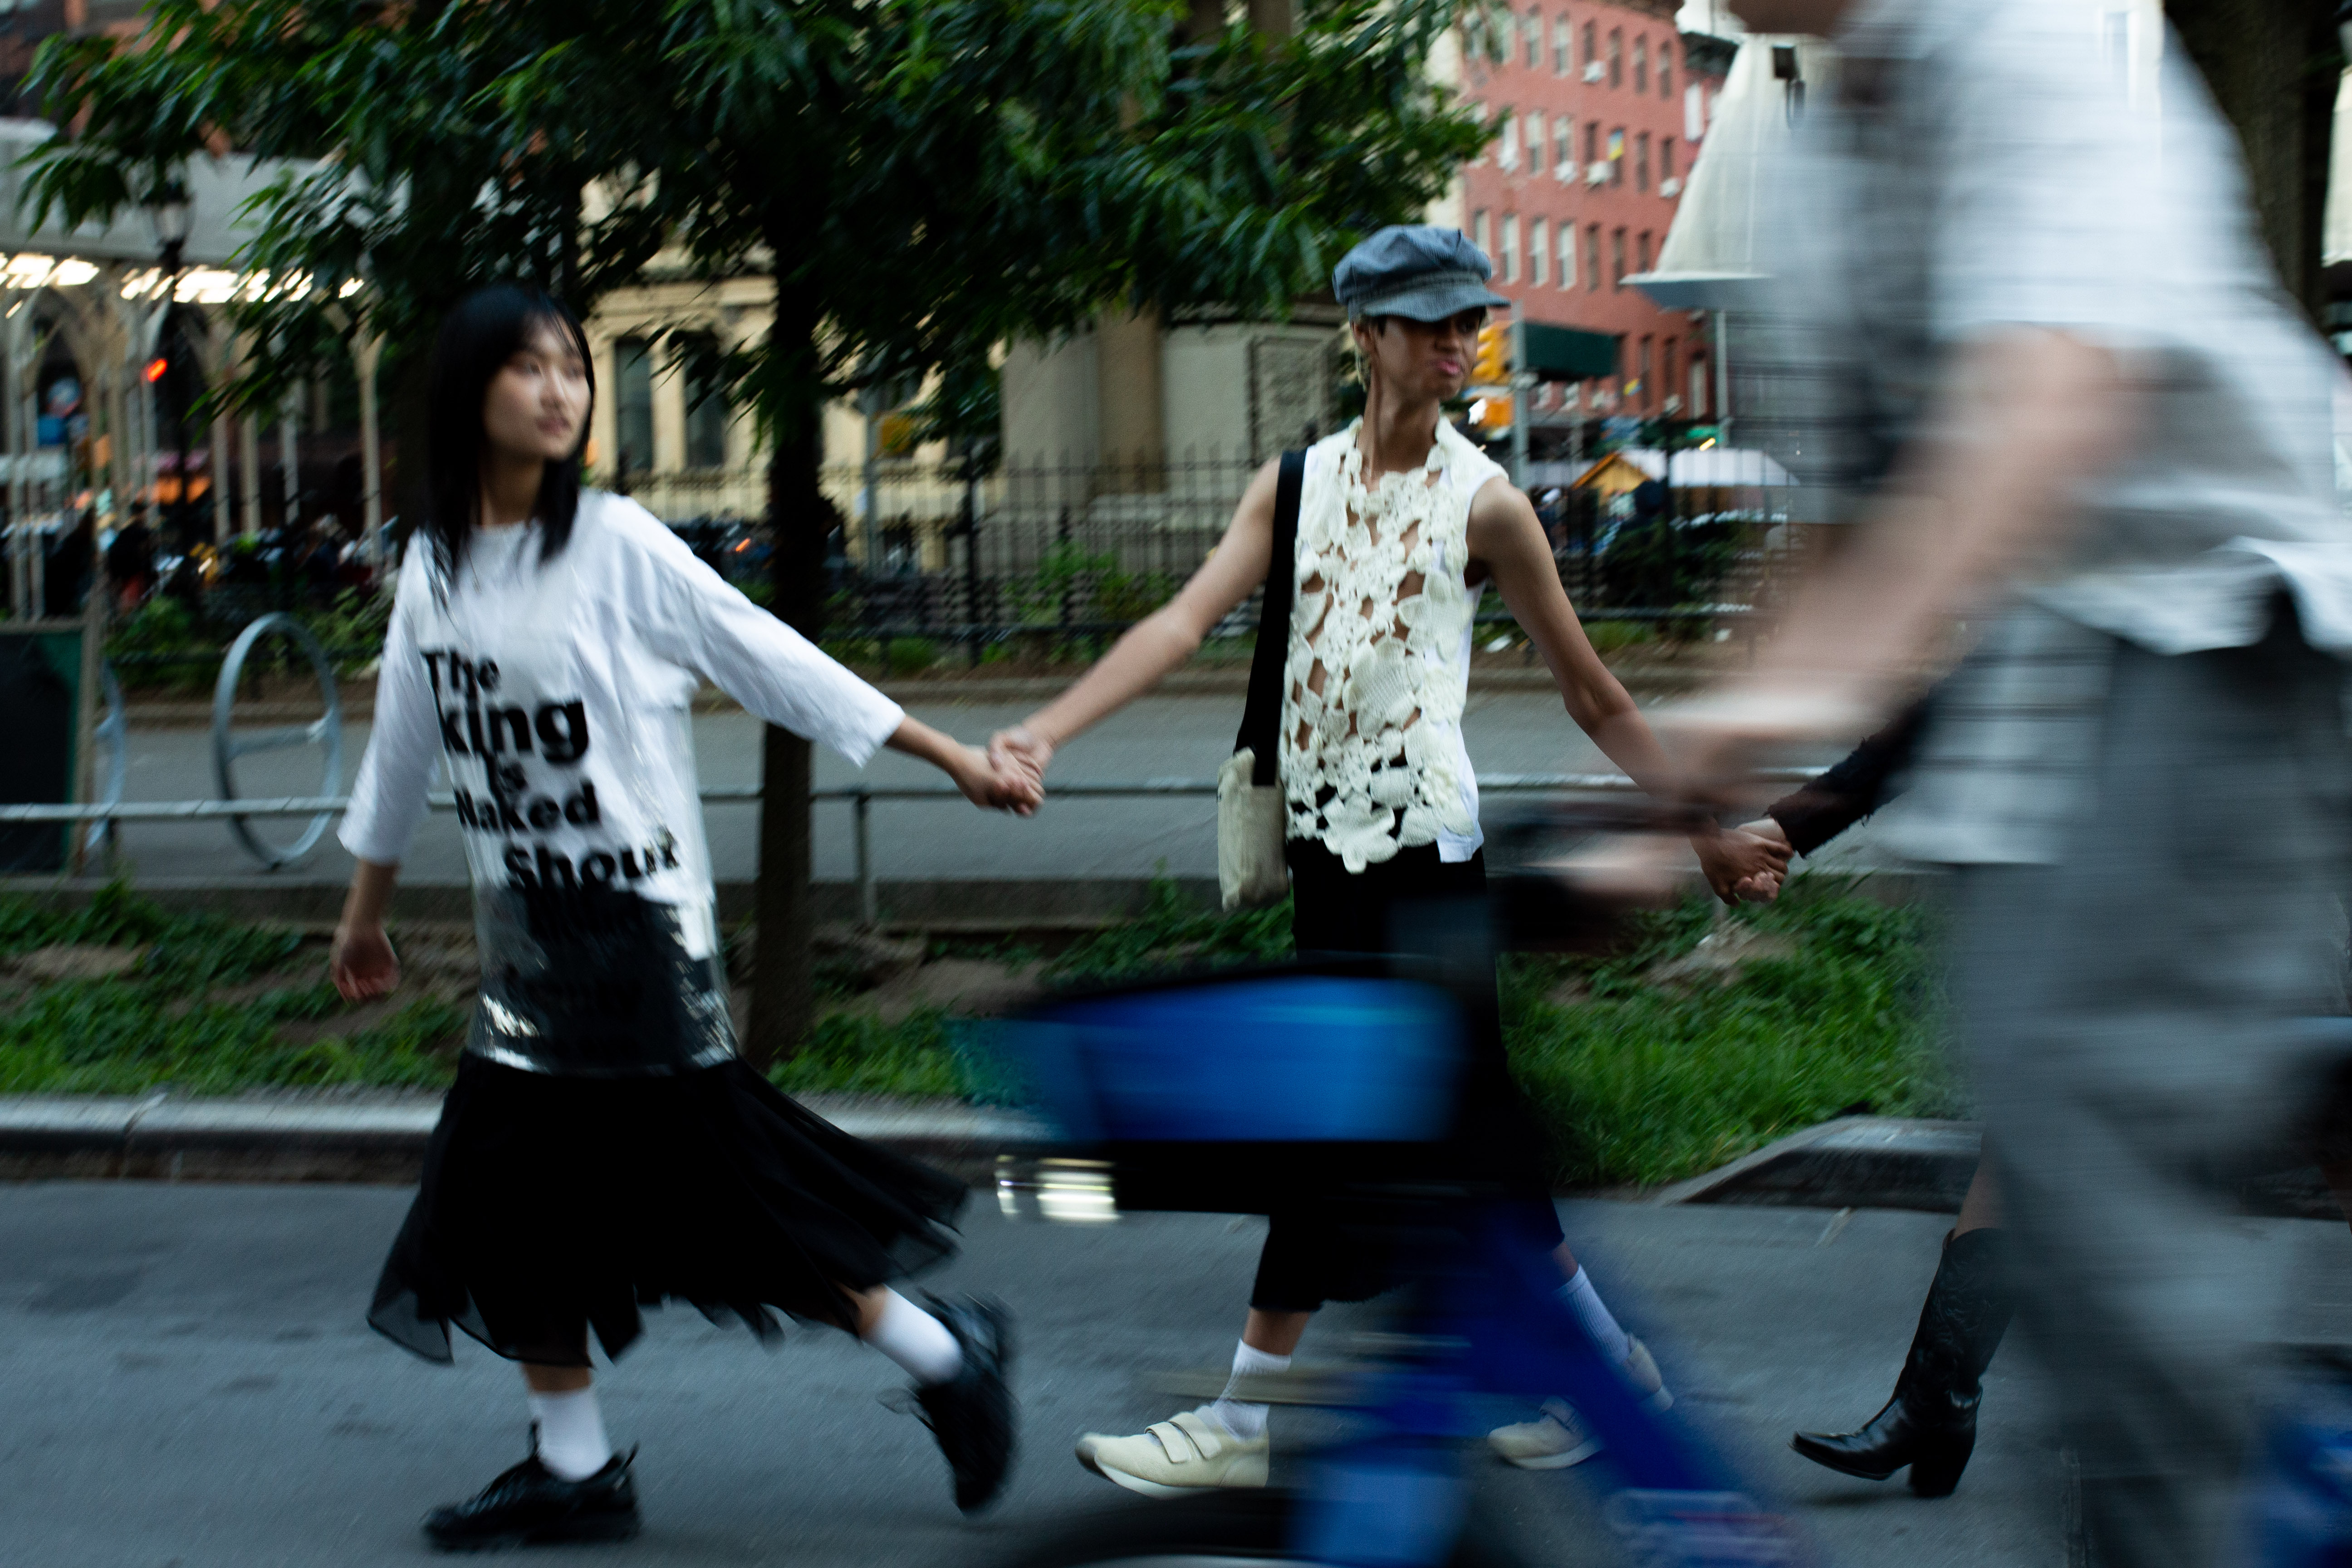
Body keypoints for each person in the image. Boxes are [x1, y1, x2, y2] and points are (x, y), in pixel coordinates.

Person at [1661, 4, 2352, 1562]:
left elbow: (2043, 413)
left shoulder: (2014, 44)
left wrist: (1757, 741)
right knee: (2032, 1115)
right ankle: (2079, 1453)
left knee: (2098, 1158)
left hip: (2217, 634)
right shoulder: (1832, 151)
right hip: (2058, 690)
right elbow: (1837, 544)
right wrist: (1696, 788)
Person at [987, 225, 1789, 1495]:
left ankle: (1244, 1426)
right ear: (1362, 336)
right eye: (1426, 321)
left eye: (1466, 320)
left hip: (1428, 865)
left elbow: (1590, 692)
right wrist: (1047, 728)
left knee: (1336, 1130)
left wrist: (1702, 827)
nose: (1455, 342)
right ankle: (1603, 1376)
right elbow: (1184, 619)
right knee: (1453, 1142)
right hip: (1328, 858)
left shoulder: (1488, 504)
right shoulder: (1293, 484)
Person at [330, 284, 1034, 1550]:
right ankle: (576, 1464)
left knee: (724, 1207)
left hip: (641, 937)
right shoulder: (432, 565)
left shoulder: (616, 546)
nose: (560, 391)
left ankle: (949, 1352)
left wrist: (948, 754)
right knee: (503, 1202)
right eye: (529, 368)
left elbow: (770, 656)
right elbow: (404, 747)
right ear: (468, 388)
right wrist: (364, 913)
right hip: (527, 946)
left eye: (572, 370)